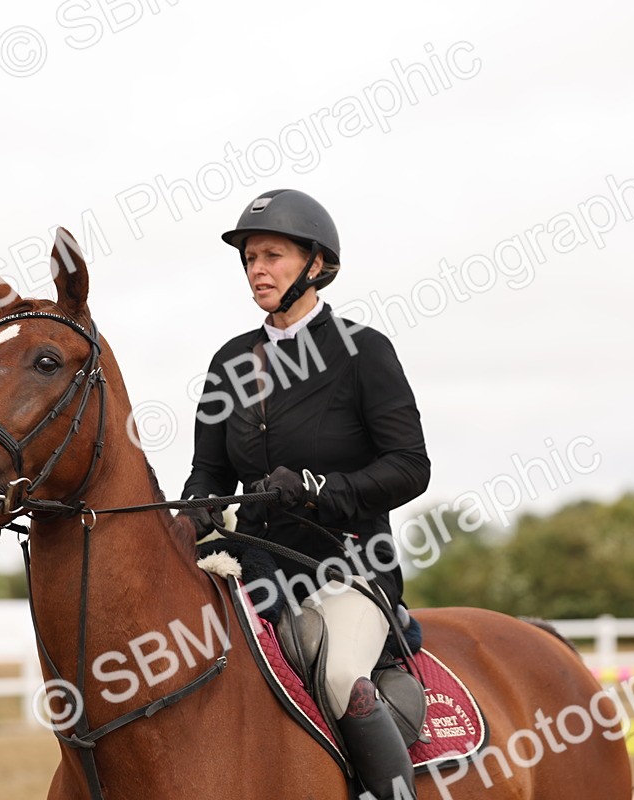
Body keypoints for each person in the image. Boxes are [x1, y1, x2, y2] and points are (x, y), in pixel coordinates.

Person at [182, 189, 430, 799]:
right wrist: (194, 511)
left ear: (315, 264)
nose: (256, 270)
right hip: (252, 571)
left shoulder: (363, 351)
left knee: (343, 674)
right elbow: (208, 472)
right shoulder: (229, 363)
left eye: (271, 255)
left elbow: (410, 467)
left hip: (346, 570)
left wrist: (320, 490)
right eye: (248, 259)